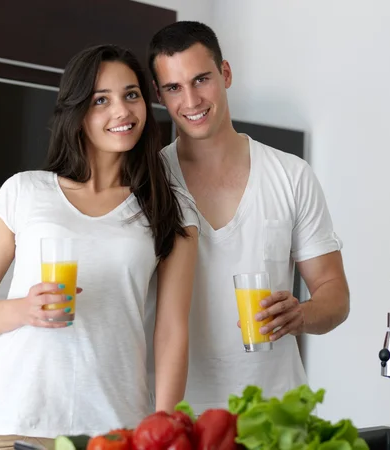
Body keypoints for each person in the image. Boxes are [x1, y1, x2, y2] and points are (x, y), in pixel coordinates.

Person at [0, 44, 199, 450]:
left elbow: (171, 332)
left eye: (131, 95)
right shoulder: (24, 191)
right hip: (17, 418)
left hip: (114, 427)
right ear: (78, 111)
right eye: (102, 100)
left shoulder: (168, 205)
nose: (122, 111)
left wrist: (166, 432)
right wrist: (22, 309)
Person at [145, 21, 350, 413]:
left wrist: (302, 315)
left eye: (201, 79)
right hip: (178, 415)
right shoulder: (148, 183)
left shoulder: (291, 175)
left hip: (277, 412)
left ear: (225, 73)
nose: (190, 100)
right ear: (159, 94)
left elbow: (335, 294)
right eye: (173, 88)